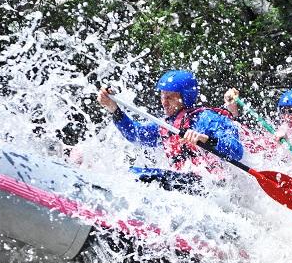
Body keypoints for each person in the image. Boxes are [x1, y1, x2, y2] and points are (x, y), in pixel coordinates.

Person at [96, 70, 244, 190]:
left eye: (170, 97)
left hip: (212, 186)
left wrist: (205, 139)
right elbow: (135, 135)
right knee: (134, 172)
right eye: (162, 96)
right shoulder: (165, 125)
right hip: (185, 182)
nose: (164, 102)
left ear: (185, 97)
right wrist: (113, 108)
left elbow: (237, 151)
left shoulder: (206, 118)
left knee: (139, 175)